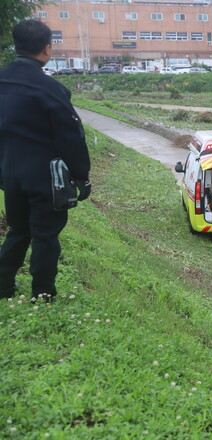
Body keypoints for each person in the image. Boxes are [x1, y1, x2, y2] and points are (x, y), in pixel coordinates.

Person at [0, 20, 91, 300]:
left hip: (9, 174)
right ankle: (42, 294)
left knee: (17, 230)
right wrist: (81, 176)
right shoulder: (50, 89)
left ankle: (3, 288)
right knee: (45, 235)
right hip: (45, 178)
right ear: (47, 49)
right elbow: (70, 138)